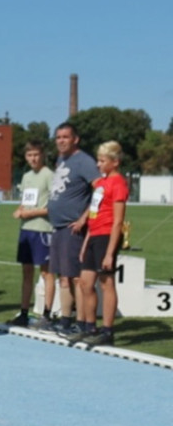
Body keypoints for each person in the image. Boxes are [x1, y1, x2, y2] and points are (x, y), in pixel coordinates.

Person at [47, 122, 100, 336]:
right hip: (58, 226)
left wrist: (84, 218)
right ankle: (65, 319)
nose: (61, 141)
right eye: (58, 137)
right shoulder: (61, 159)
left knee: (76, 276)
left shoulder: (84, 161)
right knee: (63, 275)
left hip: (73, 228)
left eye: (65, 137)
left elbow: (99, 189)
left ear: (75, 139)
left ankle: (81, 321)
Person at [74, 141, 128, 347]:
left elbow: (118, 221)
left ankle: (107, 330)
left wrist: (109, 253)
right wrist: (85, 242)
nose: (98, 164)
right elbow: (93, 214)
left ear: (114, 162)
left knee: (106, 284)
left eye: (102, 160)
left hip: (107, 236)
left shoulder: (118, 183)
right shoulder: (101, 184)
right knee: (86, 283)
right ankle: (90, 327)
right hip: (94, 235)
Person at [10, 141, 55, 327]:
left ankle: (47, 313)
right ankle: (23, 312)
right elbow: (25, 201)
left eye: (36, 155)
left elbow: (52, 206)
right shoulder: (26, 176)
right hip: (26, 230)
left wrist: (30, 213)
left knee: (47, 273)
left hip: (43, 230)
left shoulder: (49, 175)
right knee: (26, 272)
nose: (33, 159)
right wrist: (20, 210)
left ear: (42, 155)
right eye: (29, 155)